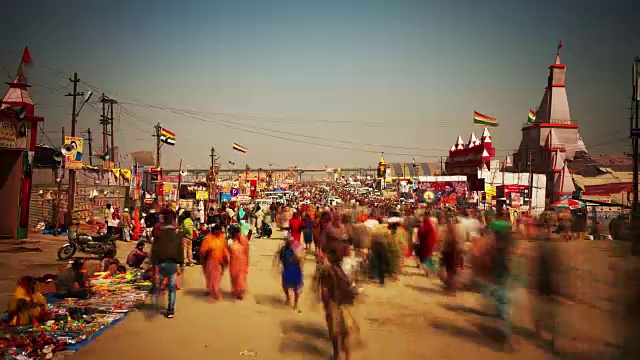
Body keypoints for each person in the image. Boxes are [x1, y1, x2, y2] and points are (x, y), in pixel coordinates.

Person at [150, 209, 184, 318]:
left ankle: (156, 305)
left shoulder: (158, 233)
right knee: (172, 288)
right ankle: (170, 311)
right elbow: (180, 250)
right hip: (172, 264)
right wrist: (181, 263)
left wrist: (154, 262)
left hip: (160, 263)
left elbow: (154, 250)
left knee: (158, 284)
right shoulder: (177, 234)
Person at [200, 223, 229, 300]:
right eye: (217, 231)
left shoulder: (222, 238)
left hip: (220, 261)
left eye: (219, 231)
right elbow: (203, 251)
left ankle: (213, 290)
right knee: (212, 276)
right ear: (214, 231)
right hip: (210, 261)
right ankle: (214, 291)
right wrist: (207, 252)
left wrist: (226, 259)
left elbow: (224, 249)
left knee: (216, 277)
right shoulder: (208, 239)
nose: (218, 233)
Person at [279, 236, 304, 309]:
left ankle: (295, 303)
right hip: (287, 269)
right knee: (285, 286)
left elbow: (301, 259)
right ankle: (288, 298)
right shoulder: (283, 249)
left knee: (296, 288)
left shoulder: (297, 249)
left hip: (295, 269)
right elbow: (281, 259)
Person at [229, 225, 250, 300]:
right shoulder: (231, 239)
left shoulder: (243, 239)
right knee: (234, 276)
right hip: (233, 261)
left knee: (240, 276)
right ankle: (237, 290)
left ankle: (240, 292)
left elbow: (246, 251)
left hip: (241, 261)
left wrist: (246, 261)